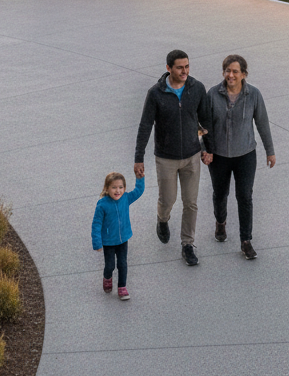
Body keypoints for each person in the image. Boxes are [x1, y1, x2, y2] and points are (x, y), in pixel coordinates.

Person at [134, 49, 209, 266]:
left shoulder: (197, 88)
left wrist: (207, 148)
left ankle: (187, 244)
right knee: (168, 199)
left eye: (187, 66)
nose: (184, 71)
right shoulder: (156, 93)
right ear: (168, 68)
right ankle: (162, 219)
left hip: (192, 156)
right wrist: (138, 157)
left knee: (191, 203)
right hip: (166, 157)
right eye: (179, 67)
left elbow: (206, 121)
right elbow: (145, 126)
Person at [203, 55, 276, 260]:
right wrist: (204, 149)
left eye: (235, 71)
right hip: (219, 155)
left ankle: (246, 241)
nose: (231, 75)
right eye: (227, 70)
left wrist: (270, 151)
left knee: (244, 197)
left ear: (244, 74)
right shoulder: (213, 94)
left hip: (245, 155)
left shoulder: (253, 94)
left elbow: (262, 123)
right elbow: (204, 126)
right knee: (220, 193)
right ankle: (220, 222)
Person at [91, 171, 145, 300]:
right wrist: (97, 243)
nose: (117, 191)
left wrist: (140, 178)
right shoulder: (102, 205)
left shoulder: (126, 198)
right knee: (110, 265)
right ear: (107, 188)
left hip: (123, 239)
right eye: (114, 187)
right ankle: (107, 277)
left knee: (122, 264)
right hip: (108, 241)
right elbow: (96, 224)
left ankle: (122, 287)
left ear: (124, 188)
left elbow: (139, 191)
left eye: (121, 187)